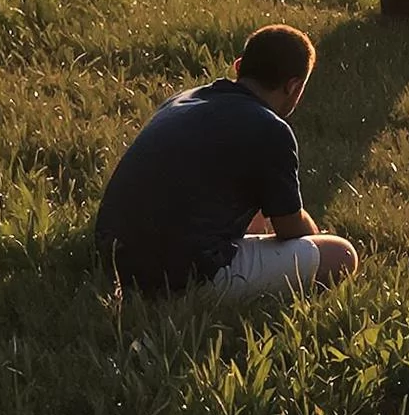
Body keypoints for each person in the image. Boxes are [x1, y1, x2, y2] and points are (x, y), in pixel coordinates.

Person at [94, 24, 358, 298]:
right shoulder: (271, 129)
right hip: (182, 275)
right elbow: (289, 226)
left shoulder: (183, 99)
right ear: (293, 87)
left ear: (239, 66)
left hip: (114, 255)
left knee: (256, 205)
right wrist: (315, 236)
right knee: (340, 254)